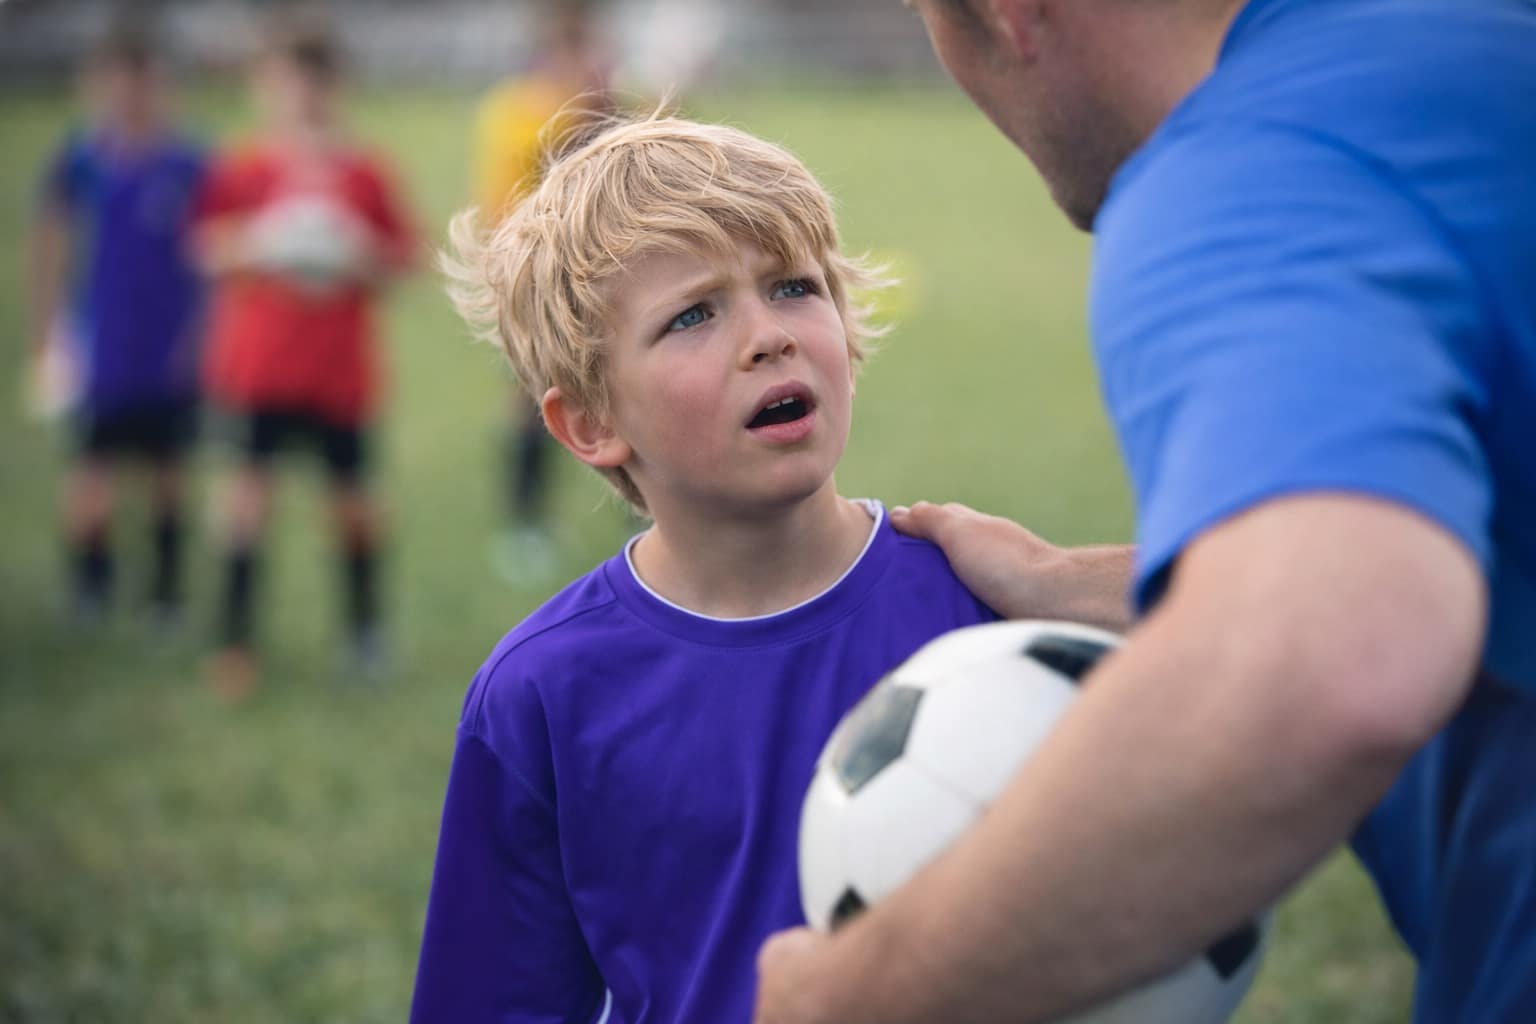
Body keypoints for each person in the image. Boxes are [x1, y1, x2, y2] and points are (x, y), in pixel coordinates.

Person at [753, 0, 1536, 1022]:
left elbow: (1336, 657)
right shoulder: (1472, 47)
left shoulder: (1255, 172)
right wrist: (1093, 588)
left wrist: (863, 992)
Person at [412, 113, 1127, 1024]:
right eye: (693, 315)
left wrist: (1067, 583)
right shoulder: (542, 691)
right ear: (592, 423)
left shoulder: (981, 610)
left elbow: (1275, 646)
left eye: (793, 286)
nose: (766, 335)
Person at [191, 13, 418, 696]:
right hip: (259, 369)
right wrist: (265, 243)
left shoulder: (363, 170)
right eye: (285, 83)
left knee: (352, 506)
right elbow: (206, 247)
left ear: (334, 86)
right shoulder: (245, 166)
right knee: (246, 502)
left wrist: (352, 250)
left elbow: (402, 258)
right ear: (264, 88)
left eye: (313, 84)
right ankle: (234, 644)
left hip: (338, 372)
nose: (301, 98)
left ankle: (365, 633)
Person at [27, 26, 207, 629]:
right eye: (119, 82)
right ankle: (91, 586)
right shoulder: (81, 160)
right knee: (91, 477)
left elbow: (208, 260)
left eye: (145, 82)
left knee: (168, 475)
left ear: (162, 86)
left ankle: (166, 593)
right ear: (100, 85)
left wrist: (202, 335)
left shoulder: (188, 163)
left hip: (168, 345)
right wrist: (48, 333)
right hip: (102, 345)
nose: (131, 95)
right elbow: (50, 246)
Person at [472, 0, 613, 584]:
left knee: (624, 396)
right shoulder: (515, 111)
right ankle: (525, 524)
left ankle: (645, 516)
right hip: (540, 279)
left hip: (607, 281)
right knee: (534, 403)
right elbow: (499, 204)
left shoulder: (611, 102)